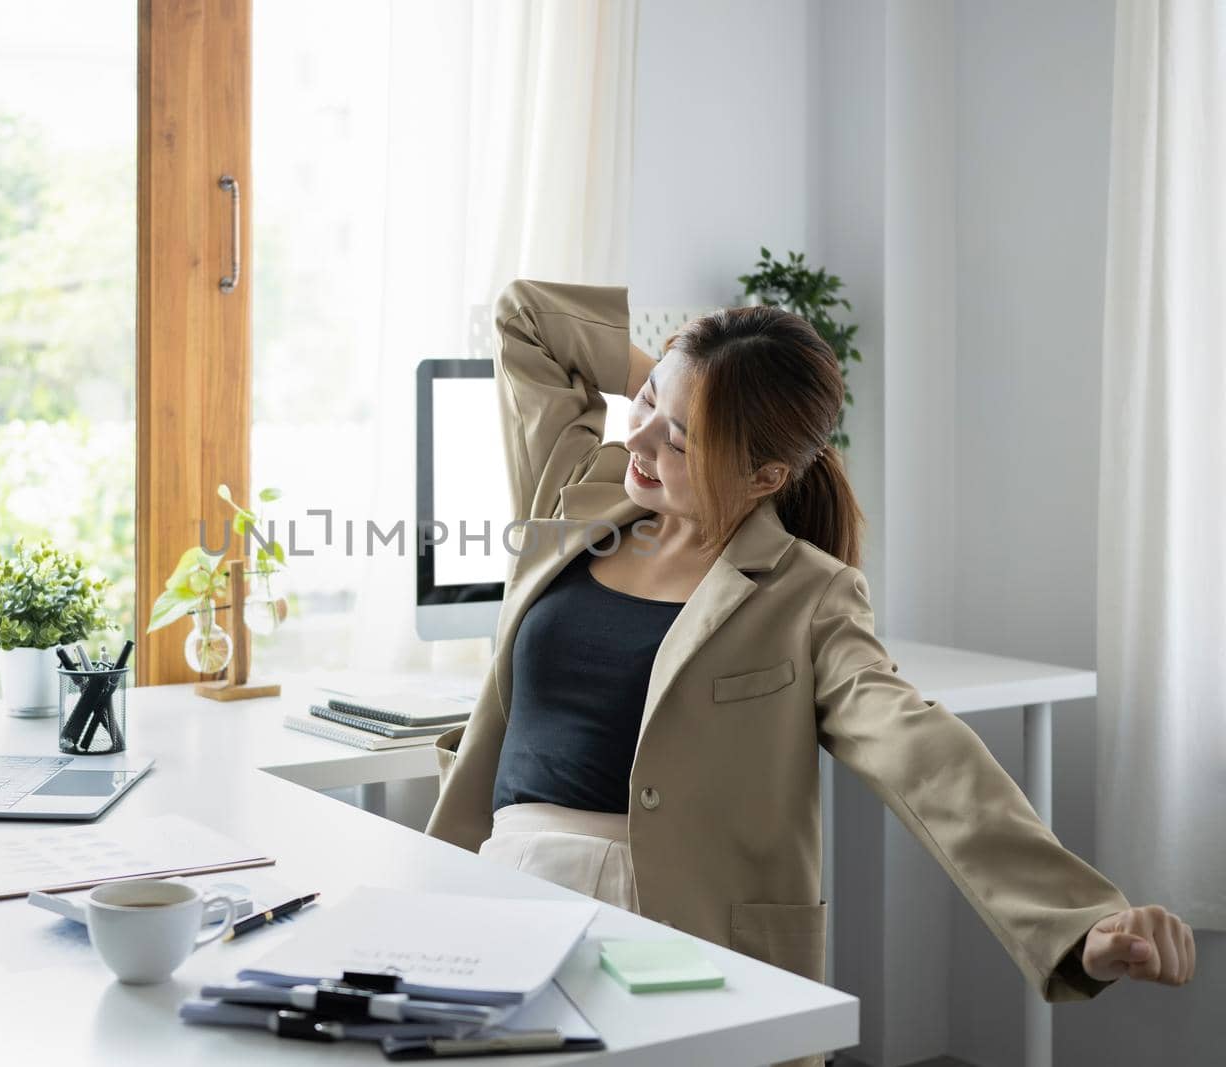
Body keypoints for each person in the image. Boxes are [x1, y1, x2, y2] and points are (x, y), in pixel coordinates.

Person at [425, 279, 1194, 1067]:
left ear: (765, 476)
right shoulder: (578, 490)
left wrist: (1080, 917)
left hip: (674, 925)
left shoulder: (808, 594)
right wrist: (695, 387)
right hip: (506, 889)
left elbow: (922, 754)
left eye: (683, 441)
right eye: (644, 405)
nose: (643, 441)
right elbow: (526, 317)